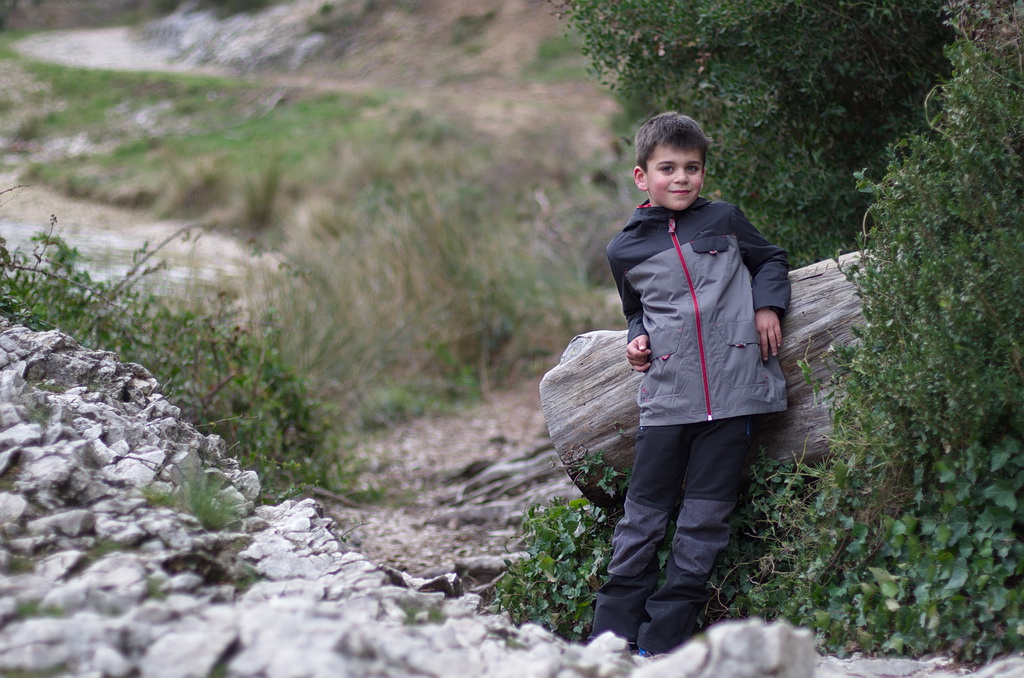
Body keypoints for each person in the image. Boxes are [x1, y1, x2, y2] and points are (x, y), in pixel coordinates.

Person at [591, 112, 790, 656]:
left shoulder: (724, 219)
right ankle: (610, 638)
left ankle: (663, 643)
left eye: (692, 167)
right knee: (642, 519)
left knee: (704, 522)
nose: (681, 178)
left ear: (703, 171)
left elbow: (770, 259)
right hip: (668, 398)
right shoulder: (624, 249)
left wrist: (768, 305)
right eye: (668, 168)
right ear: (642, 176)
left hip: (735, 394)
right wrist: (635, 339)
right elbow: (636, 311)